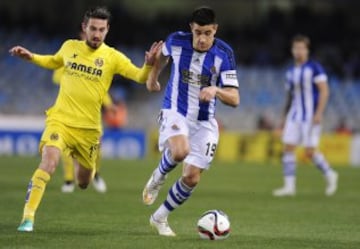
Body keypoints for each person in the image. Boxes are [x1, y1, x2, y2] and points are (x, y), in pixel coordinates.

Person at [10, 6, 162, 232]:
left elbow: (140, 76)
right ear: (85, 27)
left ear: (107, 30)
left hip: (89, 131)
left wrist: (149, 64)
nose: (97, 34)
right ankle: (28, 218)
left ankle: (79, 172)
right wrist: (31, 57)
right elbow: (53, 61)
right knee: (49, 162)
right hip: (60, 121)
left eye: (101, 29)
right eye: (93, 28)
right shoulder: (70, 46)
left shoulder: (113, 57)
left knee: (83, 182)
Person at [142, 7, 240, 236]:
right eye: (198, 32)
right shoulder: (176, 41)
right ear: (191, 29)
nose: (202, 38)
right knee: (180, 151)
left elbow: (235, 98)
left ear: (215, 30)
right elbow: (161, 57)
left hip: (205, 121)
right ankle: (158, 176)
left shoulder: (225, 54)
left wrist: (215, 90)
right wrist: (152, 77)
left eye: (207, 33)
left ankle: (159, 218)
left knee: (191, 177)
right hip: (175, 110)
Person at [273, 35, 338, 197]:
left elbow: (324, 91)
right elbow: (289, 97)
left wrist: (319, 113)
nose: (298, 51)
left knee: (309, 152)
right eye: (296, 48)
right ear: (292, 50)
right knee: (288, 147)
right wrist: (282, 118)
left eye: (301, 48)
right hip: (294, 115)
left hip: (310, 115)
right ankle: (289, 187)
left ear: (307, 50)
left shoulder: (315, 68)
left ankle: (330, 174)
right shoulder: (290, 71)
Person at [52, 29, 109, 193]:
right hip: (71, 110)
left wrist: (109, 104)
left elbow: (102, 88)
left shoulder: (102, 59)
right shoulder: (70, 55)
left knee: (97, 145)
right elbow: (57, 77)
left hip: (92, 111)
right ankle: (69, 180)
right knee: (68, 147)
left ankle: (95, 175)